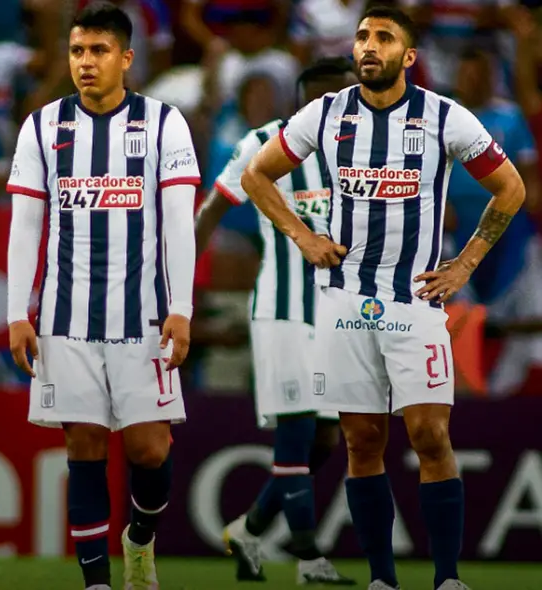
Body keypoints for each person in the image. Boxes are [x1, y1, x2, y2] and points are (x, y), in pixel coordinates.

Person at [240, 6, 526, 590]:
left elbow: (510, 187)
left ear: (409, 56)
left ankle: (447, 578)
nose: (369, 46)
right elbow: (255, 176)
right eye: (364, 36)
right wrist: (303, 235)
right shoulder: (325, 114)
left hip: (415, 302)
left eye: (384, 37)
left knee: (430, 435)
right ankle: (382, 580)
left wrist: (465, 263)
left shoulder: (444, 117)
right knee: (361, 440)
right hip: (345, 302)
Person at [6, 3, 199, 589]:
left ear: (126, 58)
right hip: (66, 319)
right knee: (83, 443)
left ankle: (139, 538)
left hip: (144, 317)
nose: (85, 63)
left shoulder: (165, 123)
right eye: (77, 51)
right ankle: (96, 584)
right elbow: (25, 225)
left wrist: (182, 308)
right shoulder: (42, 126)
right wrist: (19, 312)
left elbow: (178, 224)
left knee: (149, 450)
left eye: (98, 52)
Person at [195, 57, 358, 586]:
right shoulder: (264, 141)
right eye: (333, 98)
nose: (345, 107)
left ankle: (249, 529)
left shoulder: (364, 153)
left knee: (326, 443)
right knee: (296, 432)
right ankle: (309, 557)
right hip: (283, 312)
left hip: (339, 318)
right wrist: (177, 287)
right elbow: (213, 210)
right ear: (308, 102)